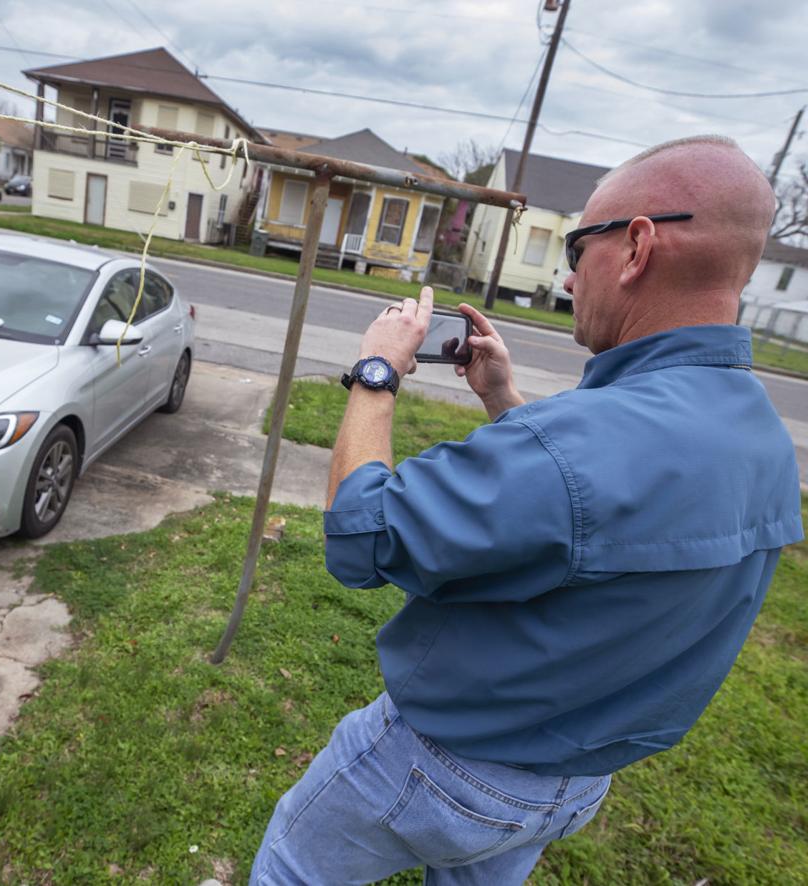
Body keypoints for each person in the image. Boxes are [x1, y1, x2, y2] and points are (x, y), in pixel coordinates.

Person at [249, 135, 804, 885]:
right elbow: (601, 514)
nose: (570, 279)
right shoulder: (765, 441)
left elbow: (364, 538)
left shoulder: (576, 443)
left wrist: (377, 373)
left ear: (637, 246)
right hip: (573, 786)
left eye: (579, 247)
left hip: (439, 768)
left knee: (294, 864)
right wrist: (504, 402)